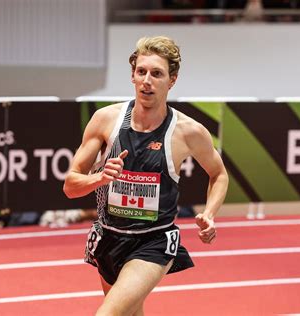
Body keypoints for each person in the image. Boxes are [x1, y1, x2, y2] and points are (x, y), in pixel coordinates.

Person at [63, 36, 229, 315]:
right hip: (108, 237)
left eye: (157, 73)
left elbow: (219, 174)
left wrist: (210, 214)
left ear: (172, 80)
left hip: (154, 241)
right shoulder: (106, 120)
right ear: (132, 75)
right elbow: (70, 185)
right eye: (141, 72)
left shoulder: (188, 132)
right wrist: (101, 178)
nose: (147, 81)